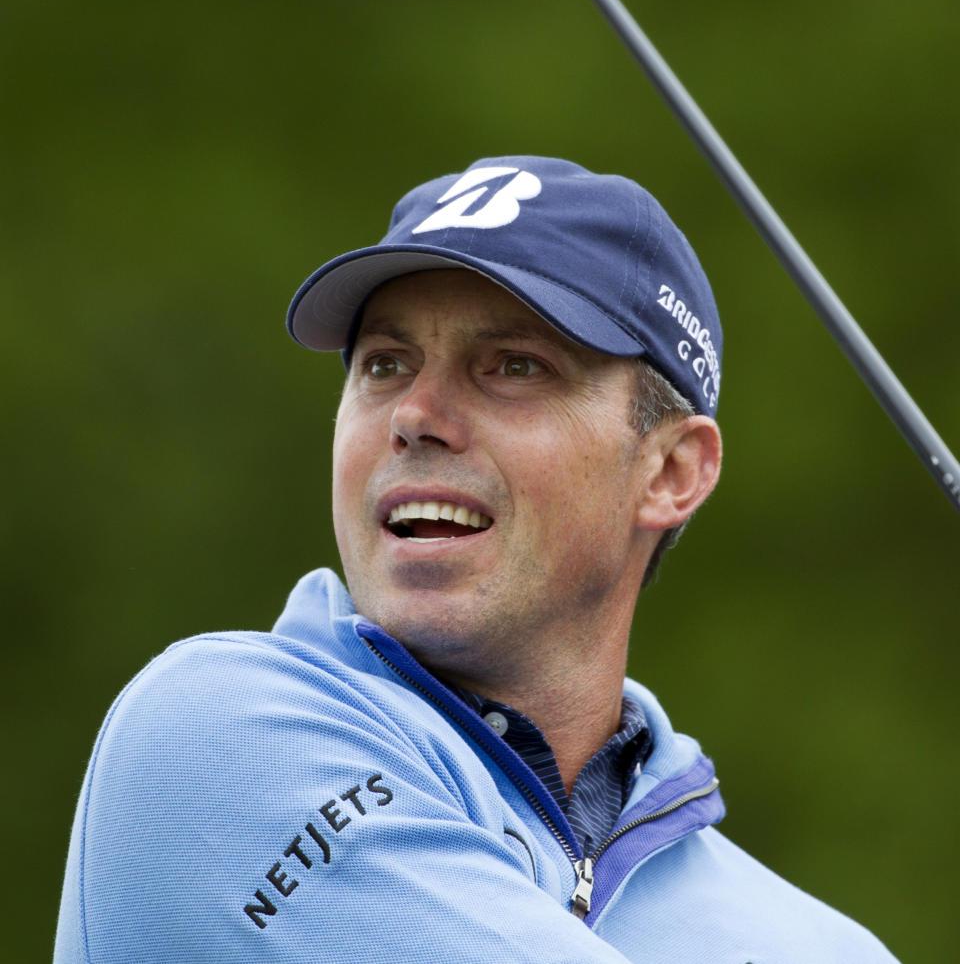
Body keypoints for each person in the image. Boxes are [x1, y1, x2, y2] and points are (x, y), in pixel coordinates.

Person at [55, 156, 897, 962]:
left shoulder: (830, 949)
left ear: (671, 471)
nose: (416, 412)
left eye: (514, 366)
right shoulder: (213, 734)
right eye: (385, 364)